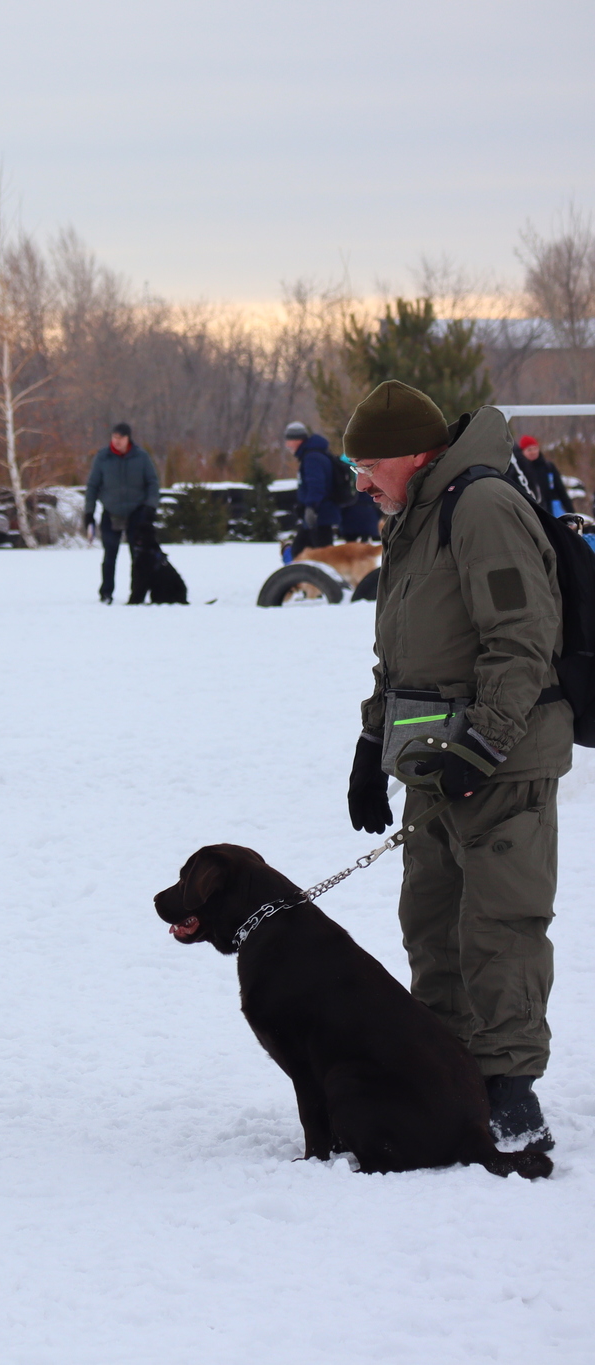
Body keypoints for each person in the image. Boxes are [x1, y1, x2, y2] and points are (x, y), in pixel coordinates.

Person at [342, 380, 570, 1154]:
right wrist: (372, 749)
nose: (361, 482)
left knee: (498, 925)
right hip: (435, 764)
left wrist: (488, 743)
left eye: (369, 464)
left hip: (500, 762)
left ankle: (510, 1100)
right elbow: (400, 657)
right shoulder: (414, 519)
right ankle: (442, 1078)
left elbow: (522, 640)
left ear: (415, 453)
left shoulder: (481, 509)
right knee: (431, 923)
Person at [82, 422, 160, 603]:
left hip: (137, 512)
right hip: (111, 512)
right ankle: (106, 592)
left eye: (120, 438)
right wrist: (89, 512)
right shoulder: (103, 457)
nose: (116, 441)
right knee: (110, 554)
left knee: (137, 555)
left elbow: (153, 482)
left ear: (128, 438)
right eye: (114, 437)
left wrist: (150, 506)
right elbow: (92, 486)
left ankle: (136, 593)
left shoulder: (141, 457)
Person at [282, 420, 345, 556]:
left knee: (313, 555)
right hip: (319, 515)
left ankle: (322, 576)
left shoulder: (312, 458)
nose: (287, 445)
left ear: (298, 440)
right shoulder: (315, 454)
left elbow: (316, 485)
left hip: (318, 516)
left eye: (289, 440)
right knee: (305, 552)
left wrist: (310, 508)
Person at [510, 433, 573, 518]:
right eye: (529, 450)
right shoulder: (518, 471)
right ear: (522, 452)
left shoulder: (548, 467)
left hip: (549, 510)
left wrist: (571, 511)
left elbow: (561, 490)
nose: (533, 452)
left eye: (535, 449)